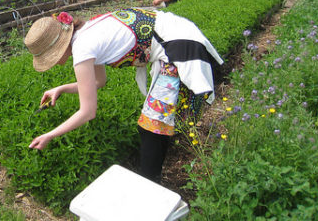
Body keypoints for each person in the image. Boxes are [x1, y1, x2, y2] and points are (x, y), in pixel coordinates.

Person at [24, 9, 223, 183]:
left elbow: (88, 112)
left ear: (57, 48)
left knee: (152, 125)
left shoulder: (82, 48)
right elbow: (98, 82)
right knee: (157, 122)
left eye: (50, 58)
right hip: (177, 32)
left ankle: (150, 185)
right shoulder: (85, 33)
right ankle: (154, 175)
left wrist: (50, 135)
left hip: (178, 46)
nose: (54, 63)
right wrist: (61, 89)